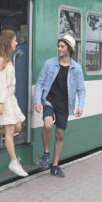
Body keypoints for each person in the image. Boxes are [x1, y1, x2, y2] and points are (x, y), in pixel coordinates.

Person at [34, 35, 86, 177]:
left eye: (62, 46)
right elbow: (39, 83)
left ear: (69, 49)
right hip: (50, 100)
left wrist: (80, 106)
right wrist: (37, 100)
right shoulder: (49, 64)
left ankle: (55, 165)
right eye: (58, 46)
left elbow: (81, 90)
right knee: (48, 125)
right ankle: (46, 153)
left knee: (60, 134)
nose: (59, 49)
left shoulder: (76, 68)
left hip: (65, 104)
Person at [0, 30, 28, 177]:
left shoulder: (7, 58)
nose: (16, 43)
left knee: (18, 126)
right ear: (8, 42)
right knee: (10, 131)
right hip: (3, 99)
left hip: (10, 99)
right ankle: (14, 162)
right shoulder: (1, 59)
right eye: (15, 40)